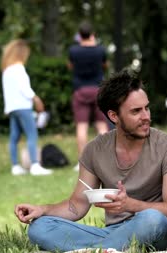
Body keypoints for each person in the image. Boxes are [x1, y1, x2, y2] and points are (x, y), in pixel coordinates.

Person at [14, 71, 167, 252]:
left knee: (152, 219)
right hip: (112, 233)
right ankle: (107, 251)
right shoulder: (94, 150)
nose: (146, 116)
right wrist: (42, 209)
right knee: (40, 226)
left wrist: (131, 205)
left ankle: (96, 252)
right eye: (136, 111)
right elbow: (77, 205)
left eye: (147, 108)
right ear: (114, 116)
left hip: (154, 230)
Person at [1, 39, 53, 176]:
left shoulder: (6, 70)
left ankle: (15, 166)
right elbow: (25, 89)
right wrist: (36, 99)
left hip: (12, 108)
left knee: (14, 137)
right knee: (32, 134)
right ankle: (35, 165)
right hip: (23, 106)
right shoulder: (19, 68)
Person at [68, 20, 109, 171]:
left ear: (79, 35)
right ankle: (106, 160)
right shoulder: (100, 50)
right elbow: (105, 65)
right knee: (101, 125)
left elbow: (70, 66)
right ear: (92, 34)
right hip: (98, 90)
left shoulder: (73, 50)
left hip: (80, 90)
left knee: (81, 126)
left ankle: (82, 163)